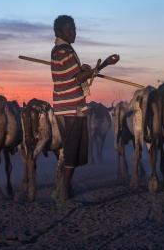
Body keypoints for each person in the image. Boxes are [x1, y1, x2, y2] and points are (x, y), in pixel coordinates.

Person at [50, 15, 119, 209]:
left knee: (67, 149)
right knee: (72, 152)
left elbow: (77, 74)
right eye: (68, 30)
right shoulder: (66, 51)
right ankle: (63, 198)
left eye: (74, 29)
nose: (73, 33)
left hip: (60, 107)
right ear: (59, 32)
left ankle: (58, 190)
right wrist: (101, 65)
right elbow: (78, 76)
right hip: (73, 107)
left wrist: (95, 68)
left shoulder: (57, 51)